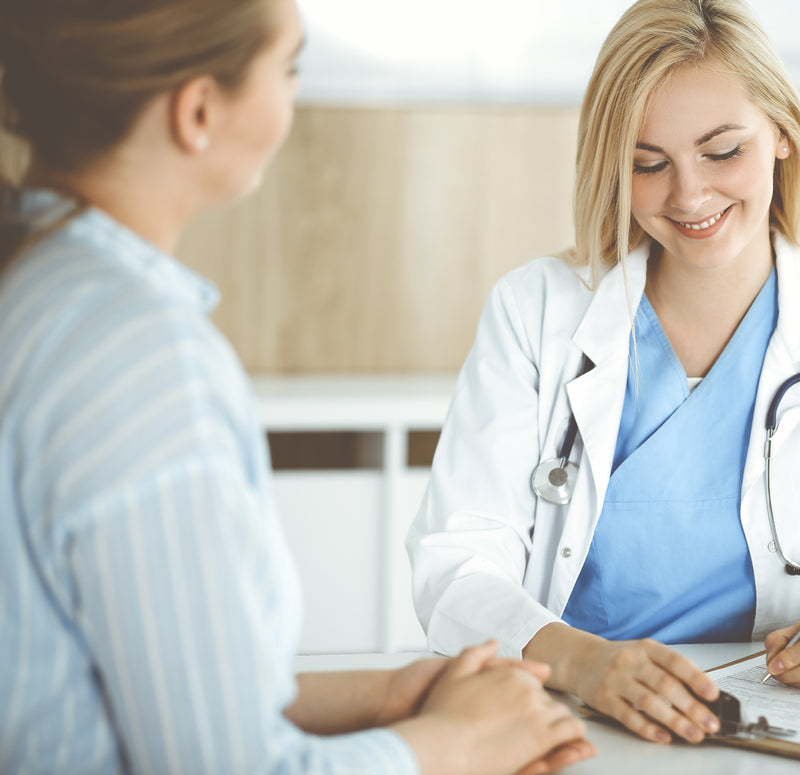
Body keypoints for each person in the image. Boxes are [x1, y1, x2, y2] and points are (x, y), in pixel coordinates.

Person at [0, 1, 596, 773]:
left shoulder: (38, 284)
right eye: (288, 68)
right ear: (200, 110)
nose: (292, 96)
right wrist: (455, 745)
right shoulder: (141, 359)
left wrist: (383, 696)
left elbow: (113, 683)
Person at [407, 0, 800, 747]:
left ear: (782, 132)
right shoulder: (535, 313)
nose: (689, 196)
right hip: (581, 726)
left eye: (722, 152)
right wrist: (585, 663)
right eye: (648, 164)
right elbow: (455, 566)